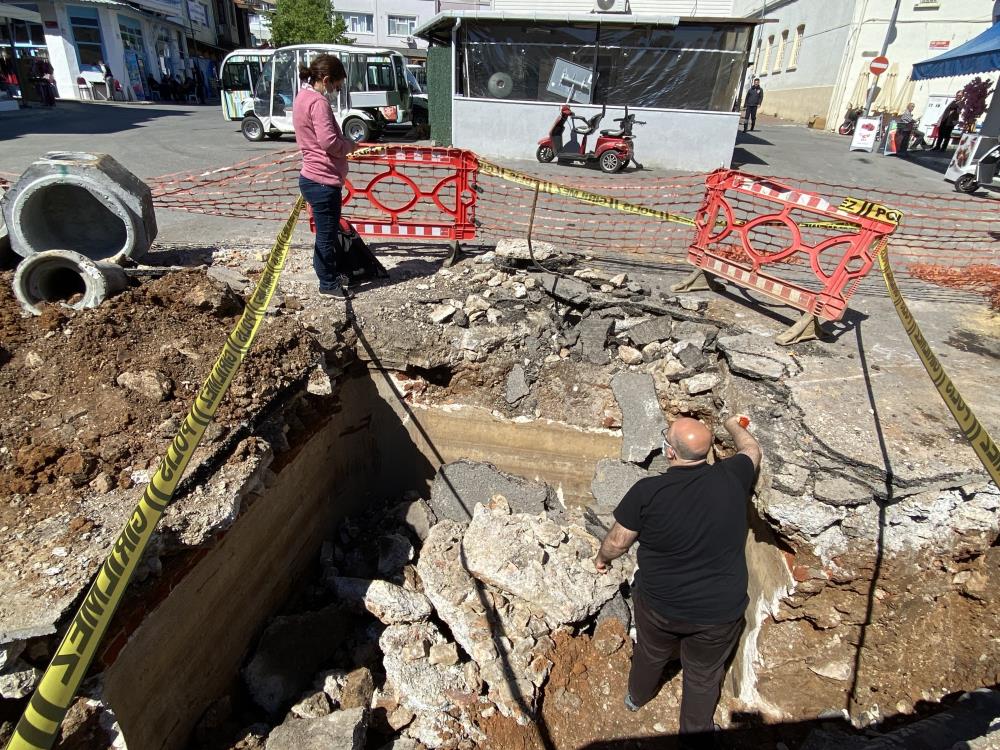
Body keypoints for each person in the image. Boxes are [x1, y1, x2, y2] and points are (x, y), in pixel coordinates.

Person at [595, 416, 762, 746]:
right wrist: (732, 424)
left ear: (670, 452)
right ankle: (694, 736)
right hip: (718, 612)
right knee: (703, 676)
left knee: (651, 652)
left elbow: (617, 541)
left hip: (660, 604)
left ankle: (636, 697)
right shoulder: (733, 476)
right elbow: (751, 449)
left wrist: (602, 560)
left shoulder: (648, 491)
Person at [293, 54, 358, 297]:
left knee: (325, 232)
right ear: (327, 79)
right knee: (326, 235)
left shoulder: (302, 97)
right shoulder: (318, 102)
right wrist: (349, 146)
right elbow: (329, 141)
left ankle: (328, 276)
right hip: (323, 180)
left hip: (312, 177)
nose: (336, 91)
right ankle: (328, 284)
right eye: (337, 86)